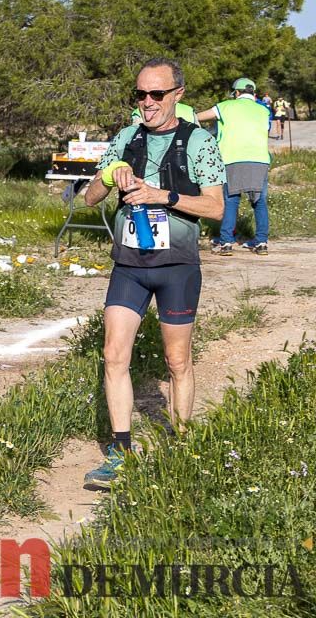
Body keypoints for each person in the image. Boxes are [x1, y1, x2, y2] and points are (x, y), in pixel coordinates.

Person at [81, 58, 225, 489]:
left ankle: (181, 447)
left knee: (177, 361)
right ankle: (121, 452)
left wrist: (162, 195)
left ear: (178, 94)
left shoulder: (199, 142)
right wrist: (110, 174)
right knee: (113, 355)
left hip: (177, 266)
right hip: (129, 264)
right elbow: (90, 198)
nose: (147, 103)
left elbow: (216, 208)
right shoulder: (126, 137)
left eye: (156, 94)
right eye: (140, 94)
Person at [195, 78, 272, 256]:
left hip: (232, 159)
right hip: (260, 160)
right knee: (259, 202)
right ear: (254, 93)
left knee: (231, 200)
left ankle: (226, 243)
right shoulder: (264, 110)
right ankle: (261, 243)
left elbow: (197, 117)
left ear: (236, 93)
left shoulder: (226, 106)